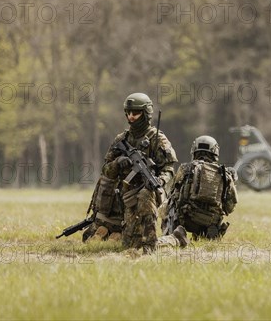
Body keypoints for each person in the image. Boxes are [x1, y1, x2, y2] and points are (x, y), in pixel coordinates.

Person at [83, 92, 186, 251]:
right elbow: (106, 170)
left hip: (146, 195)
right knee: (95, 238)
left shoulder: (157, 139)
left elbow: (169, 169)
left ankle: (168, 240)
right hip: (121, 196)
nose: (131, 117)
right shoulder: (121, 140)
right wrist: (118, 162)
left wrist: (161, 181)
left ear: (146, 114)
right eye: (128, 113)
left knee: (136, 244)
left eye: (136, 113)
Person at [162, 135, 238, 240]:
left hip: (187, 219)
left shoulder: (185, 168)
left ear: (194, 150)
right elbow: (230, 207)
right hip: (211, 224)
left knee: (169, 203)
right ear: (215, 152)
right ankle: (207, 236)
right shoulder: (225, 174)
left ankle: (172, 236)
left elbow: (172, 193)